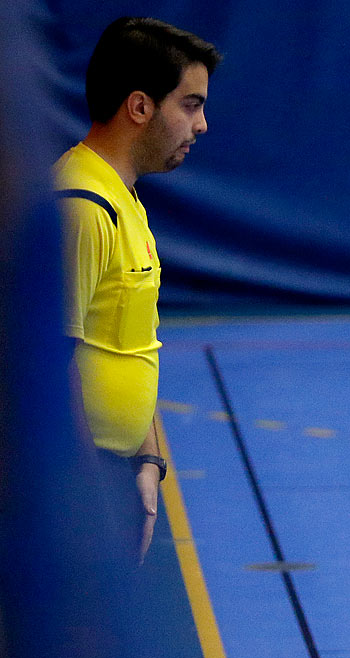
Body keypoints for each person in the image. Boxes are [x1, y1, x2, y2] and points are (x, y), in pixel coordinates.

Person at [54, 17, 219, 562]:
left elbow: (128, 344)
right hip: (79, 479)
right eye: (190, 105)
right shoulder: (82, 205)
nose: (201, 125)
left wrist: (149, 462)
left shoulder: (122, 197)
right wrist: (83, 497)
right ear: (141, 107)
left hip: (118, 471)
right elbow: (47, 361)